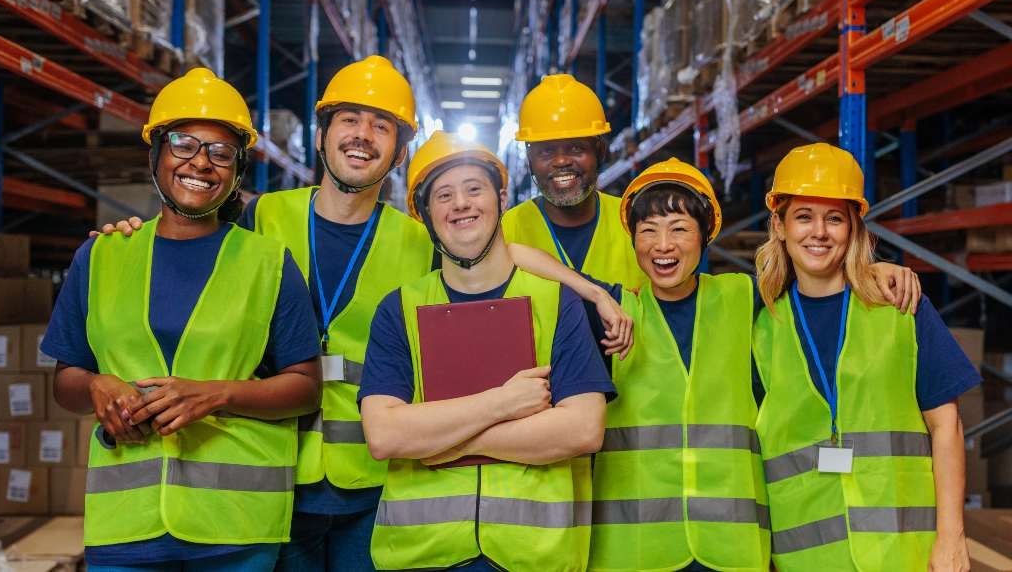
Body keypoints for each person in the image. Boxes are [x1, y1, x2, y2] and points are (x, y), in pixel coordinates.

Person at [94, 55, 434, 572]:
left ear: (401, 151)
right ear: (320, 137)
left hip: (376, 479)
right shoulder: (256, 216)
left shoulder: (421, 243)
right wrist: (128, 236)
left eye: (381, 126)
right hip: (266, 473)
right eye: (349, 120)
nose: (362, 136)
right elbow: (181, 229)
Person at [508, 158, 922, 572]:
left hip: (730, 546)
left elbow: (819, 270)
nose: (663, 245)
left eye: (679, 229)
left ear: (705, 235)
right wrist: (594, 293)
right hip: (635, 550)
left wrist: (871, 269)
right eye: (648, 230)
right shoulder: (618, 311)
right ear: (632, 240)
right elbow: (511, 253)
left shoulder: (746, 298)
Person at [43, 68, 322, 572]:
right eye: (183, 144)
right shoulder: (101, 256)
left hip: (236, 526)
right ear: (156, 155)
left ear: (236, 171)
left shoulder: (269, 263)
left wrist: (219, 394)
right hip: (126, 525)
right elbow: (66, 382)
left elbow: (305, 389)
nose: (201, 162)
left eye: (221, 152)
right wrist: (97, 385)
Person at [358, 131, 619, 571]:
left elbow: (582, 429)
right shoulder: (400, 309)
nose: (461, 204)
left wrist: (445, 443)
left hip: (532, 556)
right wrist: (502, 403)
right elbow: (385, 435)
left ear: (500, 199)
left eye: (473, 189)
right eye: (444, 195)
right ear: (426, 215)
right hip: (426, 554)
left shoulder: (556, 301)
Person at [752, 143, 979, 572]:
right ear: (779, 226)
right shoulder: (759, 325)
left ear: (853, 228)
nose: (819, 232)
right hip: (803, 557)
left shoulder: (900, 307)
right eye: (804, 217)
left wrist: (952, 537)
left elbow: (946, 426)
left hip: (901, 553)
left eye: (834, 219)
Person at [502, 74, 647, 290]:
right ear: (530, 160)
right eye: (547, 151)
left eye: (576, 148)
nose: (561, 161)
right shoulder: (506, 231)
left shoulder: (635, 222)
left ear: (600, 151)